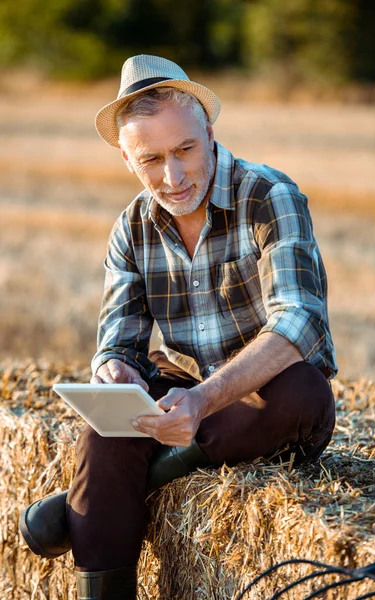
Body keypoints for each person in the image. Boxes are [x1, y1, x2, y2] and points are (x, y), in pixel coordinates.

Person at [21, 55, 337, 599]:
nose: (174, 176)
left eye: (186, 149)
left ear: (209, 132)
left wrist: (204, 402)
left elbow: (299, 322)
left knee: (300, 390)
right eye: (152, 159)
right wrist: (115, 370)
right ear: (127, 159)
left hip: (268, 398)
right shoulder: (130, 228)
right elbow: (116, 341)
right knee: (108, 427)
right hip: (184, 390)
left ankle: (89, 506)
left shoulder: (268, 195)